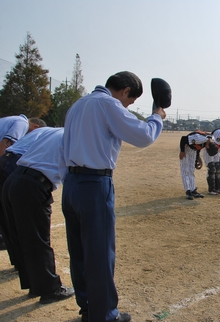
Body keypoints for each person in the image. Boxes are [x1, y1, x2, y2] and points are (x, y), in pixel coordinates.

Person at [61, 71, 168, 322]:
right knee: (99, 252)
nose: (127, 106)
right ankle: (105, 315)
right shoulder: (108, 103)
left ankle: (88, 307)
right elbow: (143, 136)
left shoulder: (78, 104)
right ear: (125, 91)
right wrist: (157, 117)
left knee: (78, 252)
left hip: (72, 183)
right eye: (129, 102)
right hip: (95, 184)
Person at [2, 128, 75, 303]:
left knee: (21, 237)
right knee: (37, 240)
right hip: (32, 185)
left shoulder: (55, 131)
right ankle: (50, 289)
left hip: (14, 179)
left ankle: (34, 285)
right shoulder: (76, 135)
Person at [0, 125, 49, 264]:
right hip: (12, 164)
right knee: (24, 218)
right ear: (35, 126)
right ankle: (30, 265)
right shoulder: (21, 121)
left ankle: (18, 261)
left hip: (4, 161)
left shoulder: (35, 133)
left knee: (6, 217)